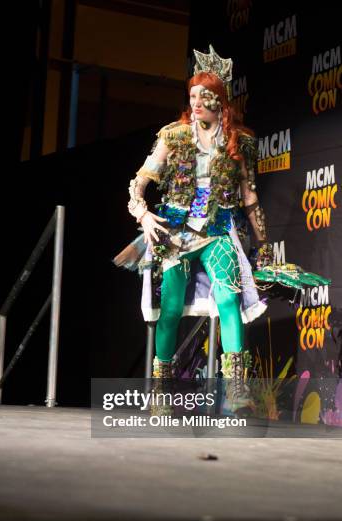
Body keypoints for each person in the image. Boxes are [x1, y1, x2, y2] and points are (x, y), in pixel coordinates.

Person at [114, 46, 273, 408]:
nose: (197, 102)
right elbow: (137, 184)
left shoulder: (241, 143)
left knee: (229, 298)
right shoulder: (174, 136)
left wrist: (263, 244)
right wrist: (142, 214)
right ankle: (160, 391)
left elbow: (249, 198)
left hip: (218, 229)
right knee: (170, 308)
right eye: (192, 96)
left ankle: (237, 389)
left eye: (205, 96)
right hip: (176, 232)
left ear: (221, 101)